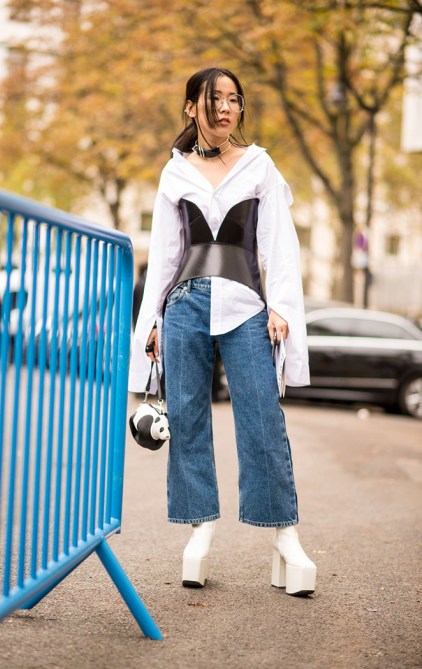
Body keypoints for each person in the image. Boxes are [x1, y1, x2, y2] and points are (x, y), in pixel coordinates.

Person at [129, 67, 316, 596]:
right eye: (216, 99)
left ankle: (284, 534)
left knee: (262, 419)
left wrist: (281, 308)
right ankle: (200, 531)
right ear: (192, 107)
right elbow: (164, 256)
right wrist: (152, 322)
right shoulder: (175, 173)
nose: (227, 108)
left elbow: (279, 246)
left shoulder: (260, 165)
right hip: (184, 308)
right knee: (188, 420)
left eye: (235, 99)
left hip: (246, 308)